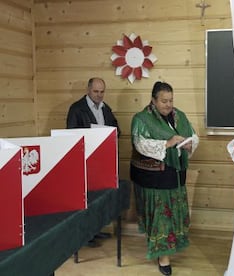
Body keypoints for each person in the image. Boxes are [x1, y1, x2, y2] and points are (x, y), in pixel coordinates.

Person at [130, 81, 199, 276]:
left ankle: (169, 249)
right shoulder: (141, 119)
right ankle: (163, 257)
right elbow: (140, 144)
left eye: (170, 100)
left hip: (175, 176)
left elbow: (194, 136)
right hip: (154, 179)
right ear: (153, 100)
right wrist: (168, 143)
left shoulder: (179, 116)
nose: (168, 105)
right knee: (161, 217)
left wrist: (189, 144)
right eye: (163, 101)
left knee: (172, 214)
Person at [66, 77, 120, 247]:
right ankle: (85, 235)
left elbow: (117, 129)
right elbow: (71, 136)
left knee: (97, 199)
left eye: (102, 91)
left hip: (102, 162)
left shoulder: (106, 109)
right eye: (96, 91)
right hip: (85, 162)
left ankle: (94, 230)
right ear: (88, 90)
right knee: (85, 200)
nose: (99, 95)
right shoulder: (76, 109)